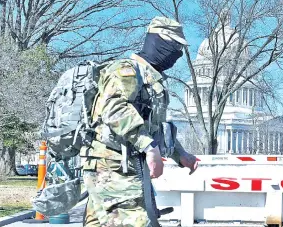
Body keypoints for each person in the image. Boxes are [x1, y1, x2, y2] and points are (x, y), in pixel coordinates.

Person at [80, 16, 198, 227]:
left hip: (125, 166)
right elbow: (114, 109)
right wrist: (149, 147)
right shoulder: (126, 71)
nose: (177, 53)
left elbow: (156, 129)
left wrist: (181, 155)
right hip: (113, 166)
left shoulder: (152, 80)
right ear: (158, 41)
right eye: (174, 45)